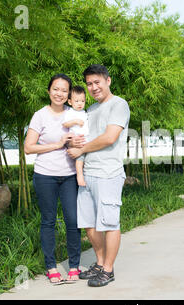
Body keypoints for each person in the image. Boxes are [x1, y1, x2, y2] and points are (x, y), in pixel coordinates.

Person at [67, 64, 130, 287]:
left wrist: (81, 149)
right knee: (89, 223)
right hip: (88, 174)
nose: (93, 87)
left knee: (109, 222)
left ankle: (109, 270)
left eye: (97, 82)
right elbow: (82, 138)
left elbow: (109, 138)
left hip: (108, 174)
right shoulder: (90, 110)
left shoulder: (119, 105)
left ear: (108, 81)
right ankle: (100, 263)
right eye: (89, 84)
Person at [24, 74, 82, 284]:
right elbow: (28, 148)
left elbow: (84, 140)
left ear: (69, 95)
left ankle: (74, 265)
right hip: (45, 175)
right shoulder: (40, 115)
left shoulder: (75, 113)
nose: (59, 93)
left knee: (73, 221)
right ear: (49, 91)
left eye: (64, 90)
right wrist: (57, 144)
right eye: (56, 89)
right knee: (48, 221)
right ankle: (51, 266)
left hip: (69, 175)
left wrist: (75, 142)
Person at [62, 85, 89, 187]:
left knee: (86, 158)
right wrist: (75, 121)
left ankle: (84, 175)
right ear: (70, 102)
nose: (80, 104)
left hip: (86, 138)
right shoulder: (70, 112)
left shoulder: (85, 112)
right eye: (77, 101)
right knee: (80, 158)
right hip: (77, 139)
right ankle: (79, 176)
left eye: (82, 101)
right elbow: (65, 124)